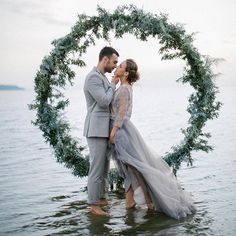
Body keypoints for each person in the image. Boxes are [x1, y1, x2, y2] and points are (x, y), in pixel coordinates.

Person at [109, 59, 196, 219]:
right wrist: (113, 83)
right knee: (131, 170)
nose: (117, 67)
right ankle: (131, 202)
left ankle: (149, 203)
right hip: (124, 130)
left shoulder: (124, 90)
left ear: (126, 73)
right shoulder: (124, 88)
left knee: (135, 169)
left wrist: (113, 132)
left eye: (120, 66)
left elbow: (121, 113)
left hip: (122, 132)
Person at [83, 46, 120, 216]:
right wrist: (113, 84)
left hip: (104, 129)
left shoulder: (102, 78)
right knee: (96, 168)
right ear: (104, 59)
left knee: (104, 167)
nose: (115, 66)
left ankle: (102, 197)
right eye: (114, 62)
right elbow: (105, 101)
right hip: (96, 129)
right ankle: (93, 205)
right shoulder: (93, 78)